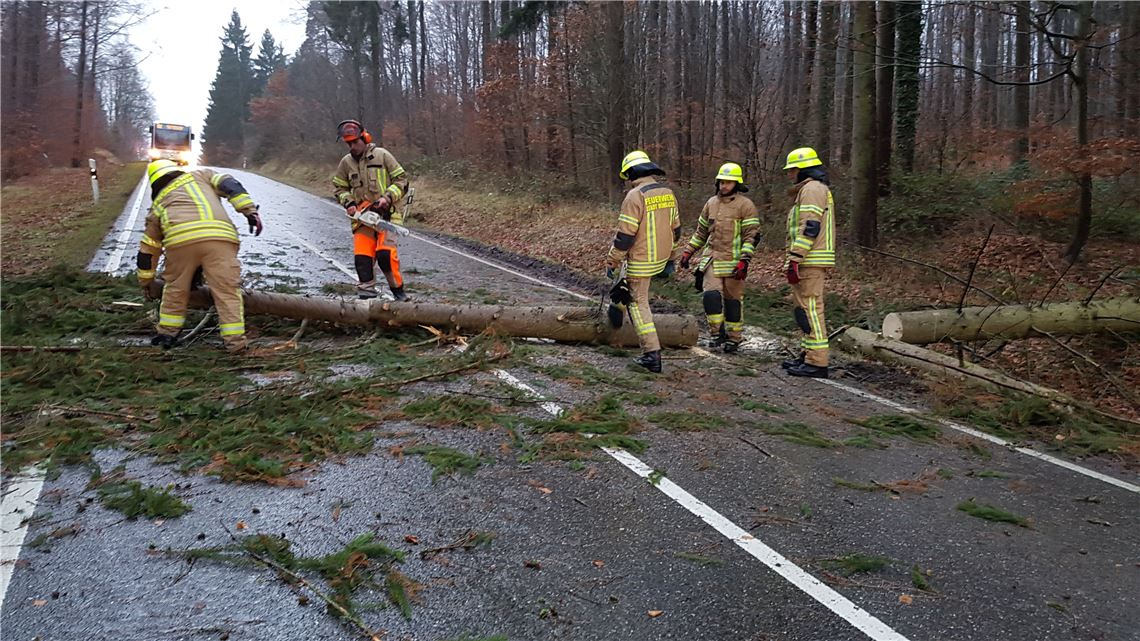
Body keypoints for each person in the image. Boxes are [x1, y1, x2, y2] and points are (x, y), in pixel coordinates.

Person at [136, 159, 263, 353]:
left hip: (180, 244)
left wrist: (146, 280)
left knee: (175, 288)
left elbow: (148, 249)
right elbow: (230, 185)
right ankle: (236, 345)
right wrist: (249, 211)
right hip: (220, 239)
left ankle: (167, 335)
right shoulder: (201, 175)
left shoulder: (158, 205)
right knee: (227, 293)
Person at [604, 150, 681, 374]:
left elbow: (625, 236)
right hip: (660, 258)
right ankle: (616, 306)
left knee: (638, 303)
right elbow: (676, 230)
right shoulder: (667, 192)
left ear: (632, 173)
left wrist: (612, 261)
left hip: (641, 259)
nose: (627, 180)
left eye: (627, 175)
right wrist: (671, 258)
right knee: (627, 287)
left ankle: (651, 354)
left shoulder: (635, 196)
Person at [679, 162, 760, 353]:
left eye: (729, 182)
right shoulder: (710, 204)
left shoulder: (746, 206)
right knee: (711, 296)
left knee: (732, 302)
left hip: (734, 263)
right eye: (722, 182)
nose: (724, 186)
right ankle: (716, 334)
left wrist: (744, 260)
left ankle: (734, 338)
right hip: (712, 260)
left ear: (737, 184)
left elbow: (752, 236)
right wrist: (688, 251)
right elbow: (701, 233)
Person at [331, 119, 411, 301]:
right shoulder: (346, 163)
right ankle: (366, 297)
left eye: (355, 142)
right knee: (362, 259)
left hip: (387, 217)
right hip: (362, 218)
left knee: (385, 256)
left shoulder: (382, 155)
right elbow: (339, 188)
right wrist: (349, 203)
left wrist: (387, 197)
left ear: (364, 137)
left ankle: (399, 294)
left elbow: (402, 180)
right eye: (348, 143)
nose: (352, 146)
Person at [780, 147, 835, 378]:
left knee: (811, 309)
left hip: (810, 259)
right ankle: (808, 354)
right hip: (808, 258)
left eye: (793, 170)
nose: (790, 174)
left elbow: (810, 227)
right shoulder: (810, 189)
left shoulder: (812, 189)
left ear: (803, 169)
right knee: (804, 309)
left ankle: (817, 361)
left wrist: (795, 258)